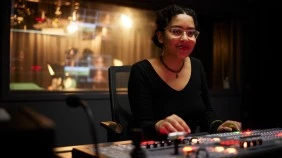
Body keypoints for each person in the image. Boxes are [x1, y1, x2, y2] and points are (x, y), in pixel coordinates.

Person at [128, 4, 241, 140]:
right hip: (154, 147)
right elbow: (141, 124)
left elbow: (206, 112)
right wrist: (159, 125)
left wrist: (218, 126)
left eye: (191, 33)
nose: (185, 38)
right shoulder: (141, 71)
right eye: (176, 31)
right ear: (160, 37)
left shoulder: (197, 65)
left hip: (190, 146)